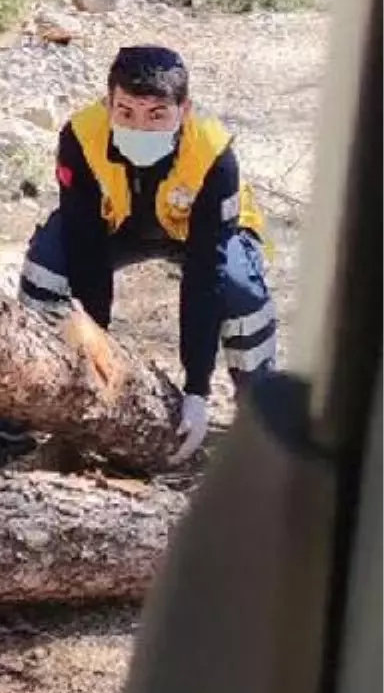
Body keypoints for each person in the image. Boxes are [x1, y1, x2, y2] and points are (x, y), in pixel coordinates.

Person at [19, 45, 277, 464]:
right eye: (125, 112)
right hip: (117, 227)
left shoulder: (213, 155)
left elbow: (205, 273)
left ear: (184, 110)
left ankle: (259, 418)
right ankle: (30, 400)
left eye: (156, 114)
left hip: (201, 236)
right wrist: (95, 358)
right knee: (48, 266)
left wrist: (196, 390)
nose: (139, 126)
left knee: (237, 286)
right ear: (108, 104)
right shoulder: (81, 138)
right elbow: (86, 250)